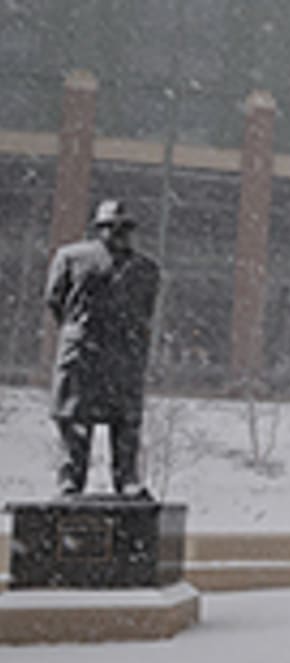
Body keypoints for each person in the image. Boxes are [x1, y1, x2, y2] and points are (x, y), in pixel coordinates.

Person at [45, 199, 161, 498]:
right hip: (84, 351)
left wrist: (124, 338)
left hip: (123, 355)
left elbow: (145, 312)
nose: (117, 233)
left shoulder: (146, 269)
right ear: (99, 228)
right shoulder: (71, 257)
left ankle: (127, 479)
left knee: (126, 423)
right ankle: (70, 479)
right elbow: (55, 300)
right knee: (75, 419)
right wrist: (81, 330)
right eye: (111, 227)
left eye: (124, 227)